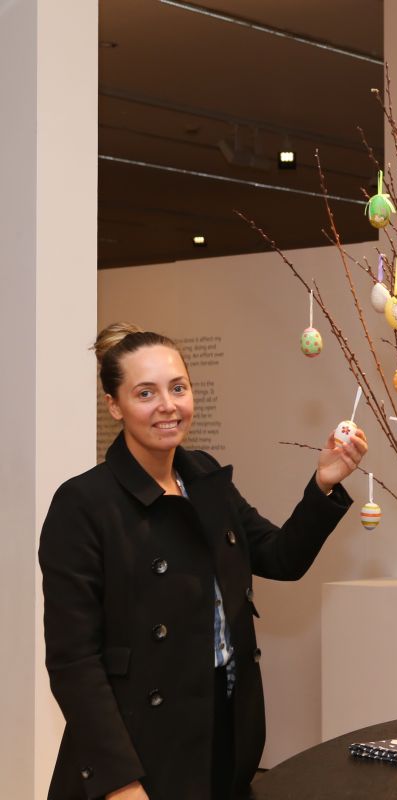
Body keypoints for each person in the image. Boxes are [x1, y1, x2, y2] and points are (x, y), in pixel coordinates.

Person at [40, 323, 368, 800]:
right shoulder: (84, 504)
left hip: (224, 737)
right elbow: (74, 663)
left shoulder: (206, 477)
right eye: (145, 393)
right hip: (139, 753)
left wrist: (322, 485)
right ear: (115, 405)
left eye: (178, 388)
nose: (168, 405)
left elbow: (281, 557)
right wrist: (120, 781)